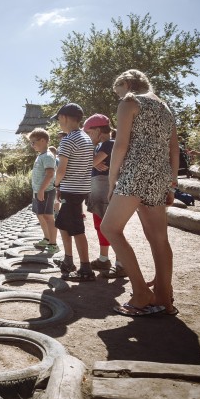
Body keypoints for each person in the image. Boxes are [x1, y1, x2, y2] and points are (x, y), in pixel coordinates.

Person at [101, 69, 179, 316]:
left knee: (110, 228)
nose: (119, 97)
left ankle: (142, 292)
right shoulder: (165, 107)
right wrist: (171, 182)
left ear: (125, 83)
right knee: (159, 238)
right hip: (159, 175)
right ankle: (165, 299)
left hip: (135, 172)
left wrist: (112, 179)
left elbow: (121, 144)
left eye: (118, 91)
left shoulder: (130, 101)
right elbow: (174, 148)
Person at [50, 103, 94, 281]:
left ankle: (86, 269)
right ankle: (68, 261)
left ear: (65, 117)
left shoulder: (67, 140)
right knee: (63, 224)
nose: (58, 123)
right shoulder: (86, 138)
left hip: (71, 189)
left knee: (77, 229)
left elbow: (61, 169)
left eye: (59, 119)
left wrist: (56, 184)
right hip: (81, 188)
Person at [82, 114, 126, 278]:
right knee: (100, 225)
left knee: (110, 227)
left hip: (105, 188)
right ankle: (103, 258)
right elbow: (91, 162)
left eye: (89, 132)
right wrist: (93, 158)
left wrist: (92, 158)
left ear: (98, 130)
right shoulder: (101, 146)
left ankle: (121, 263)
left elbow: (88, 163)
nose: (88, 136)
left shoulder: (108, 144)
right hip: (98, 188)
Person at [27, 128, 59, 255]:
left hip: (46, 191)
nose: (32, 145)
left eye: (33, 142)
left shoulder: (48, 155)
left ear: (43, 140)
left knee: (48, 217)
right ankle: (47, 238)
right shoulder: (40, 155)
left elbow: (50, 174)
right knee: (40, 215)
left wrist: (41, 190)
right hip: (39, 191)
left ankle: (53, 244)